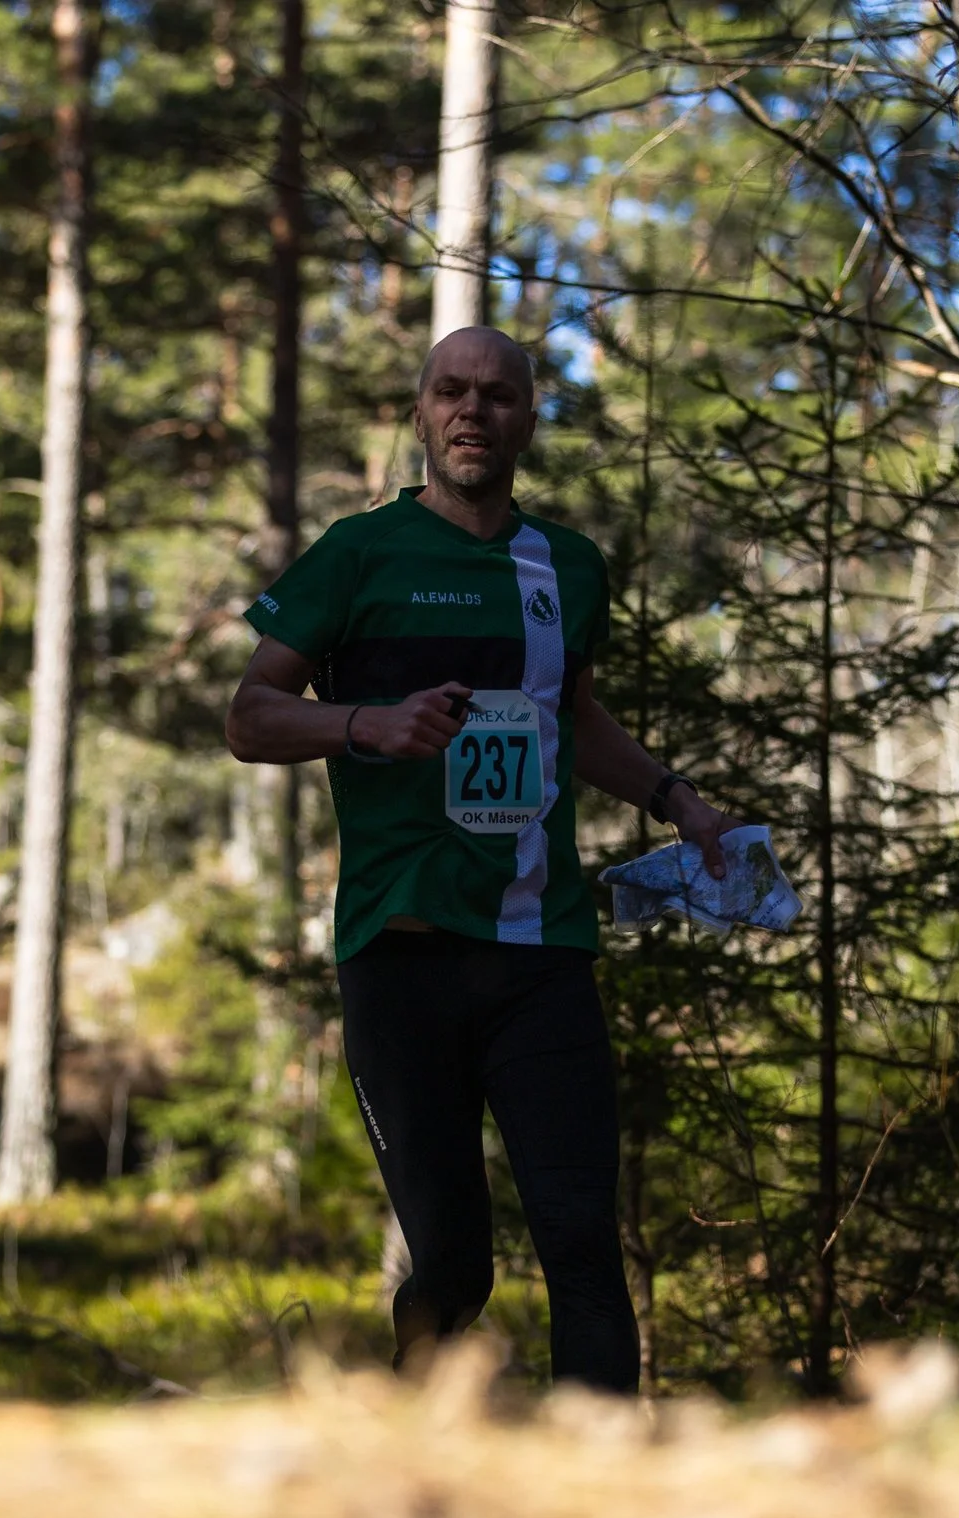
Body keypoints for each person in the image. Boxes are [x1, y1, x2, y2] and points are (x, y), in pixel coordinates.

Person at [224, 326, 745, 1392]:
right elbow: (250, 714)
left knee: (582, 1243)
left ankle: (597, 1496)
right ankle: (419, 1462)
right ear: (419, 414)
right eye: (451, 393)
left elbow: (577, 717)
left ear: (527, 420)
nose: (474, 411)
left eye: (498, 395)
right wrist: (366, 723)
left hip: (538, 953)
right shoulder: (357, 554)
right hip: (401, 955)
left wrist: (676, 799)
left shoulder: (568, 565)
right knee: (456, 1262)